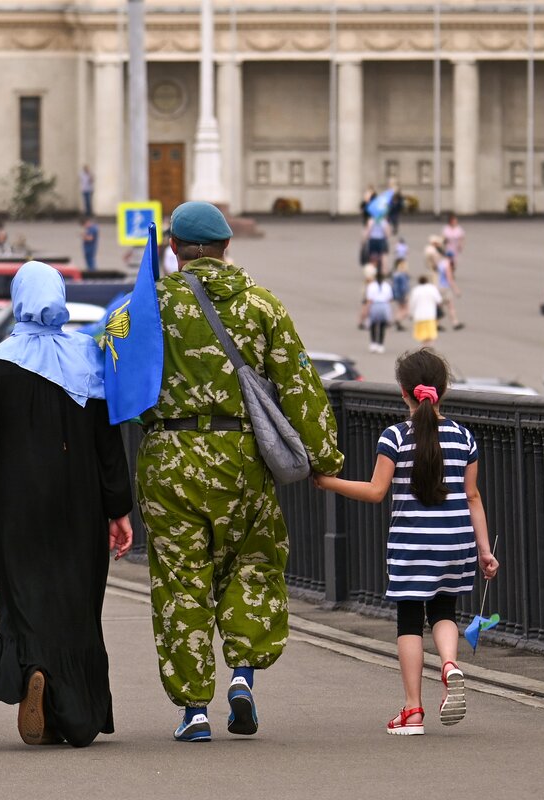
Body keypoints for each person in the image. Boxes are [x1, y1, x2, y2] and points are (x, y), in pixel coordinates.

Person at [137, 201, 344, 742]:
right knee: (253, 563)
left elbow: (110, 372)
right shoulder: (262, 305)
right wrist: (323, 459)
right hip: (242, 460)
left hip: (171, 458)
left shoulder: (147, 305)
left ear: (175, 250)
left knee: (182, 581)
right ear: (228, 247)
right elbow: (300, 385)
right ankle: (243, 677)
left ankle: (193, 711)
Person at [0, 261, 134, 747]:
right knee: (77, 601)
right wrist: (119, 509)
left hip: (16, 501)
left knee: (23, 597)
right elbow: (109, 445)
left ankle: (34, 671)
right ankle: (75, 713)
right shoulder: (89, 356)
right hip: (81, 501)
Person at [313, 348, 498, 736]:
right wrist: (484, 550)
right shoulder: (464, 437)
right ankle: (449, 664)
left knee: (410, 619)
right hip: (456, 542)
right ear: (443, 391)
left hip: (412, 544)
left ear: (403, 393)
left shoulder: (394, 436)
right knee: (445, 609)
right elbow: (473, 497)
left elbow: (376, 490)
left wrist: (327, 481)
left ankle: (413, 711)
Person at [363, 269, 395, 354]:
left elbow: (369, 300)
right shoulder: (387, 286)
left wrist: (366, 311)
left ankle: (373, 343)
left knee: (373, 325)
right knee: (382, 325)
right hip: (384, 305)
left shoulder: (371, 286)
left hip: (375, 305)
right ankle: (380, 344)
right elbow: (390, 299)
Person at [408, 275, 442, 344]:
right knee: (430, 335)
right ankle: (429, 348)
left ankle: (424, 349)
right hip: (430, 315)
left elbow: (411, 304)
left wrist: (411, 314)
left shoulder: (416, 290)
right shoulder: (432, 288)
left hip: (419, 316)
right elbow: (439, 300)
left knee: (422, 336)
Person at [436, 251, 463, 330]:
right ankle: (455, 323)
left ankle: (437, 324)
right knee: (450, 306)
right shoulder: (447, 265)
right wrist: (456, 290)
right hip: (445, 287)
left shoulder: (441, 263)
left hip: (439, 286)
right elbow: (450, 278)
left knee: (440, 306)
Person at [391, 256, 411, 331]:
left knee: (400, 308)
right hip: (402, 294)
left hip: (397, 294)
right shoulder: (402, 275)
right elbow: (403, 286)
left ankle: (398, 322)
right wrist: (405, 294)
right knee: (406, 310)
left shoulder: (395, 274)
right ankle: (397, 320)